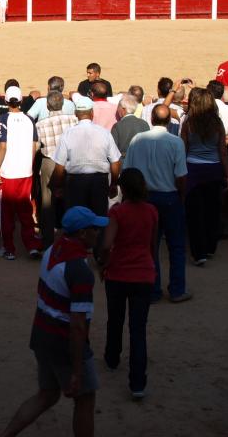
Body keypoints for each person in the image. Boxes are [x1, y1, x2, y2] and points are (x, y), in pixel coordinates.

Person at [0, 206, 106, 437]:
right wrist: (77, 370)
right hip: (62, 339)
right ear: (82, 234)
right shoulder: (79, 270)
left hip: (42, 332)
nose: (98, 233)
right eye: (94, 229)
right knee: (85, 399)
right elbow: (77, 325)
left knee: (46, 394)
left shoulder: (52, 250)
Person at [98, 169, 157, 399]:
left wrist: (104, 263)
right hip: (143, 274)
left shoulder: (118, 213)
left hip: (119, 273)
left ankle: (112, 357)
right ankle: (138, 382)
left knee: (115, 318)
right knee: (138, 329)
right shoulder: (151, 211)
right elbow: (152, 245)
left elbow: (107, 244)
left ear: (123, 188)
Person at [124, 104, 191, 303]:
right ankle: (177, 289)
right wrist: (181, 196)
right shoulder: (176, 142)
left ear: (151, 119)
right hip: (169, 197)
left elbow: (129, 171)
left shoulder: (137, 140)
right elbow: (181, 176)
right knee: (176, 245)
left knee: (150, 245)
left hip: (145, 198)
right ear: (169, 121)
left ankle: (153, 289)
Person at [180, 87, 228, 265]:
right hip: (214, 169)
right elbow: (222, 151)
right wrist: (226, 174)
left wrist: (181, 171)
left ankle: (199, 252)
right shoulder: (217, 123)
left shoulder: (189, 123)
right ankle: (209, 247)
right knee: (212, 211)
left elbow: (183, 149)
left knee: (195, 213)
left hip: (193, 170)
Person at [50, 94, 121, 216]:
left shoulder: (67, 134)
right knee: (98, 220)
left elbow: (59, 166)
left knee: (77, 221)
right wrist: (114, 183)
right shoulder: (104, 133)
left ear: (76, 114)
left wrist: (58, 186)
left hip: (75, 183)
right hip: (99, 182)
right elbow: (115, 162)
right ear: (92, 113)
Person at [0, 86, 42, 260]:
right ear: (21, 101)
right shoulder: (29, 119)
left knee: (7, 211)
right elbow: (33, 145)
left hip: (8, 171)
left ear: (6, 101)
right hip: (25, 171)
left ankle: (9, 248)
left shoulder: (4, 119)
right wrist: (29, 165)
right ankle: (31, 245)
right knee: (25, 209)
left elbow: (2, 145)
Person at [35, 90, 79, 248]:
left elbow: (37, 147)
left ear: (47, 106)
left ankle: (47, 241)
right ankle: (70, 238)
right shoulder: (74, 120)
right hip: (70, 162)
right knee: (70, 200)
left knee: (47, 203)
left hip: (49, 162)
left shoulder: (40, 124)